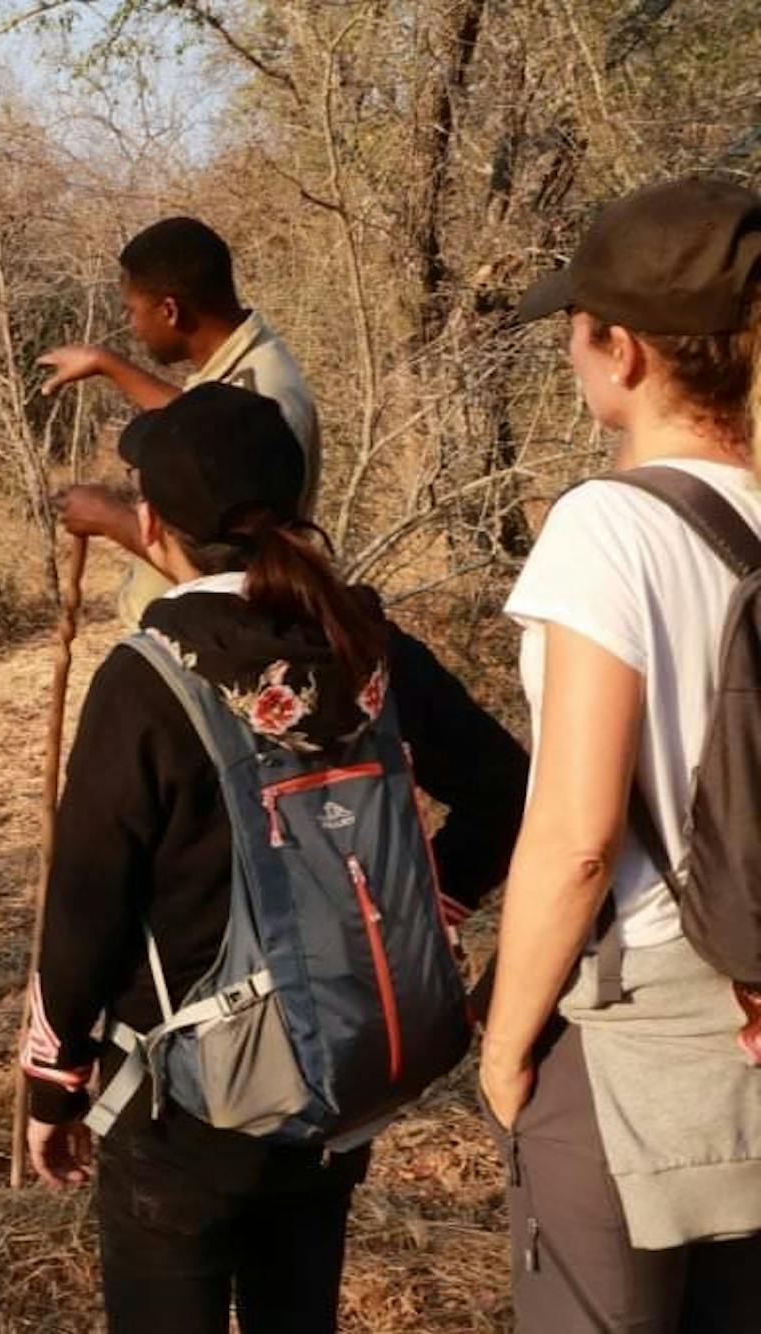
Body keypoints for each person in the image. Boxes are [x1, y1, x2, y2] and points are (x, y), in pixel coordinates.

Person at [23, 383, 527, 1334]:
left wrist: (54, 1086)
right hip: (338, 1078)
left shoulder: (147, 678)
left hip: (183, 1110)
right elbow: (507, 792)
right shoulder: (370, 647)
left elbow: (86, 910)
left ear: (153, 522)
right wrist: (426, 912)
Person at [481, 175, 761, 1330]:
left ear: (624, 352)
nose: (569, 351)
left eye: (575, 327)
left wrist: (502, 1048)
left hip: (636, 1035)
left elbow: (575, 838)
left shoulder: (607, 526)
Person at [37, 216, 321, 625]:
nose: (132, 327)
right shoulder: (243, 368)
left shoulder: (266, 393)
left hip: (218, 648)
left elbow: (234, 568)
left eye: (133, 311)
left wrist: (110, 518)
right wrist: (108, 365)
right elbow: (202, 429)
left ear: (170, 310)